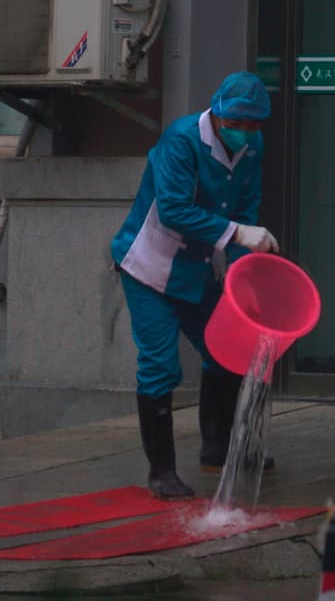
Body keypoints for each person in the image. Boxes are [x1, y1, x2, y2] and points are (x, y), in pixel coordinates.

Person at [110, 71, 280, 499]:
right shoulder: (182, 140)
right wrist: (240, 235)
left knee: (226, 348)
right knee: (161, 364)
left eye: (254, 125)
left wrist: (242, 275)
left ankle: (217, 448)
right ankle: (161, 471)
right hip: (148, 268)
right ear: (218, 115)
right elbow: (172, 209)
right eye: (236, 124)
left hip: (199, 267)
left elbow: (247, 206)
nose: (245, 133)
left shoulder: (253, 148)